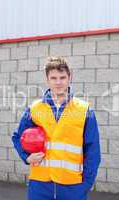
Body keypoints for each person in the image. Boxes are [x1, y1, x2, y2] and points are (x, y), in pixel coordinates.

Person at [12, 57, 101, 200]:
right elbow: (17, 137)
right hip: (40, 185)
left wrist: (85, 186)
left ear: (69, 78)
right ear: (47, 79)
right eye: (53, 78)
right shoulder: (35, 108)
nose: (58, 82)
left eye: (62, 77)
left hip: (72, 186)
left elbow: (93, 151)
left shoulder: (85, 110)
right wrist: (26, 157)